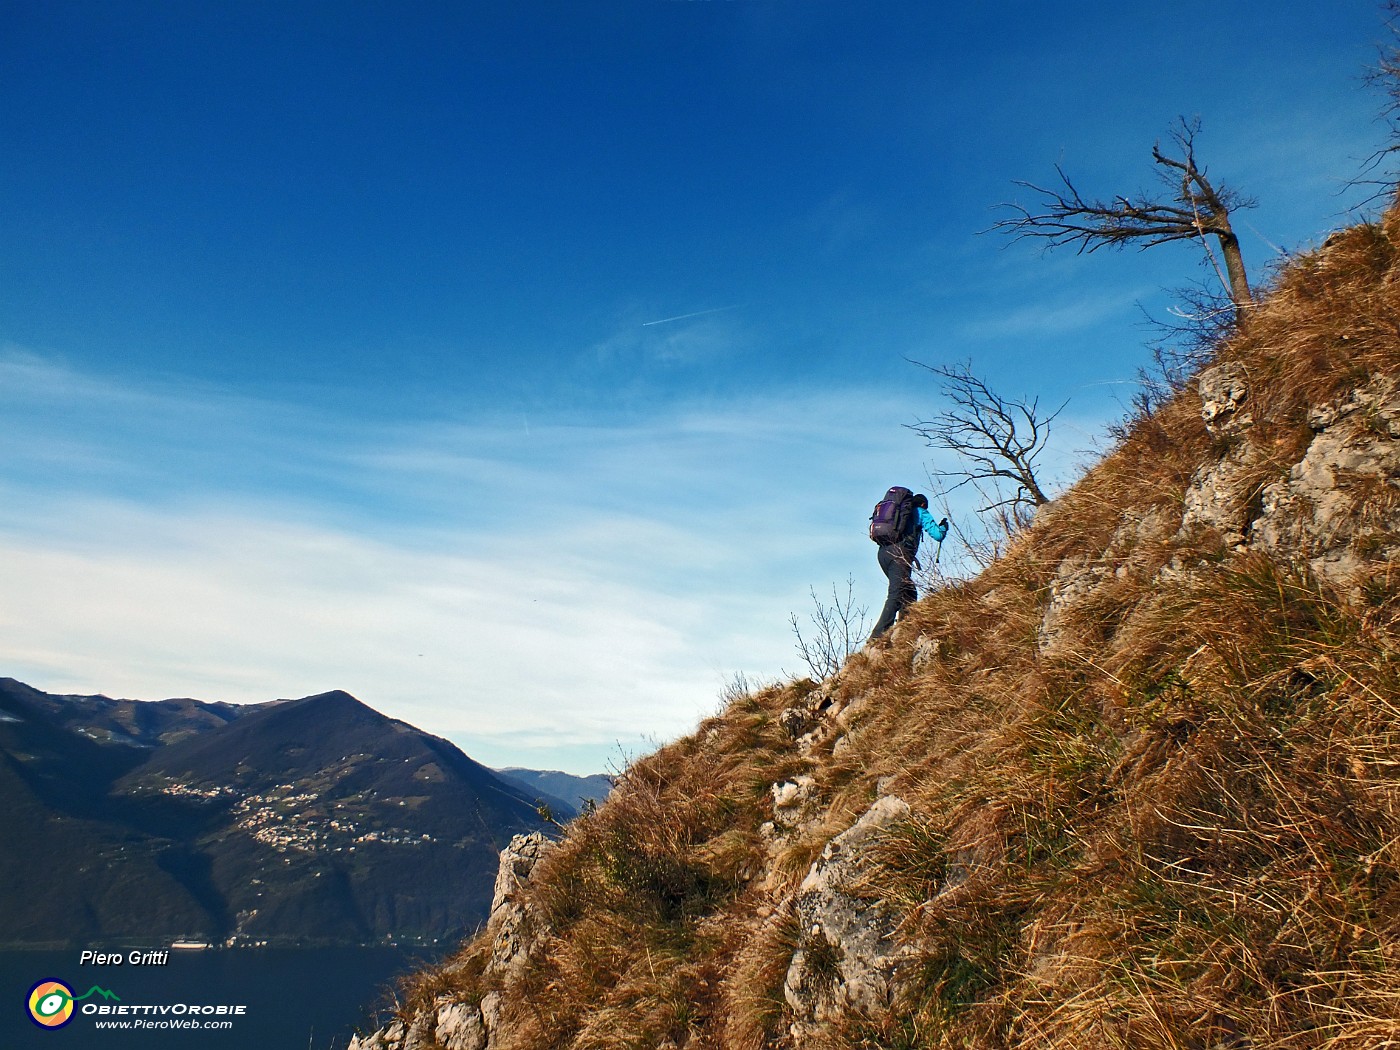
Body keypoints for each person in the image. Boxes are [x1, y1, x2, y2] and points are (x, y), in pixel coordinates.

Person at [869, 493, 948, 640]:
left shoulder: (898, 515)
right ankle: (877, 636)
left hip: (883, 554)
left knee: (909, 592)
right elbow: (937, 535)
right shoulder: (920, 511)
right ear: (923, 504)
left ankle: (904, 631)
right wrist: (943, 528)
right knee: (895, 594)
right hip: (899, 555)